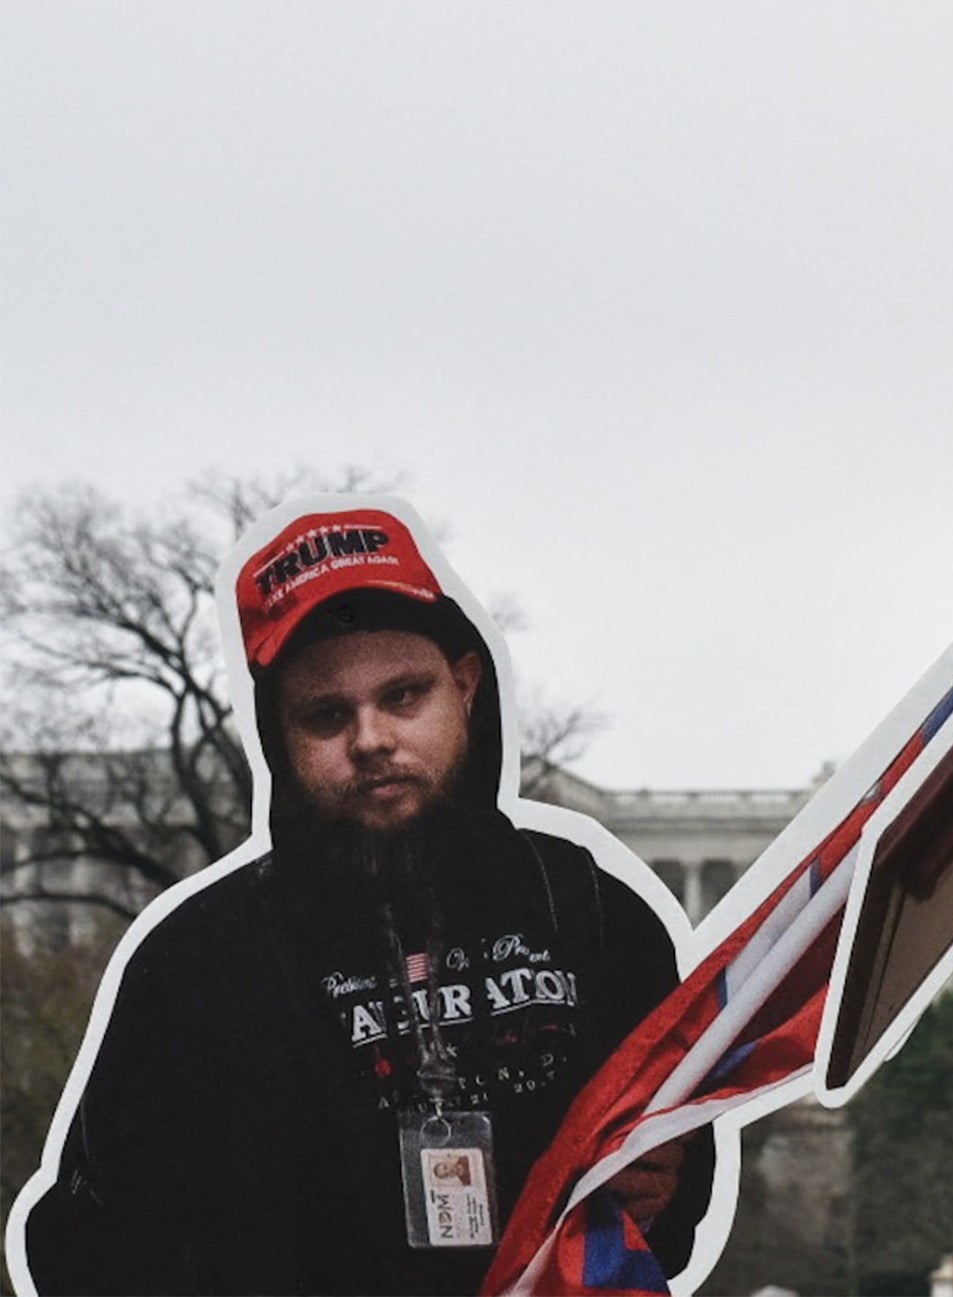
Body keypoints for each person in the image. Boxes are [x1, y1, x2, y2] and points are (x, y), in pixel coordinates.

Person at [14, 503, 712, 1296]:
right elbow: (82, 1243)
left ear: (466, 687)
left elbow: (685, 1179)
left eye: (404, 696)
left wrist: (667, 1187)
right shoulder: (194, 962)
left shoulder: (593, 916)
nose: (371, 738)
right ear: (280, 737)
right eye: (327, 715)